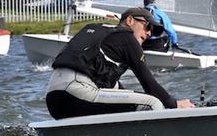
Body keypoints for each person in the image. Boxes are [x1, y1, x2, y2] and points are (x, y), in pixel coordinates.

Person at [45, 7, 194, 119]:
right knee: (153, 103)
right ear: (130, 21)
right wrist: (175, 105)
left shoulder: (101, 35)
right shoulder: (127, 38)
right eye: (148, 27)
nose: (149, 34)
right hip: (75, 93)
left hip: (54, 100)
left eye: (153, 32)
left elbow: (118, 92)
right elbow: (150, 85)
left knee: (124, 95)